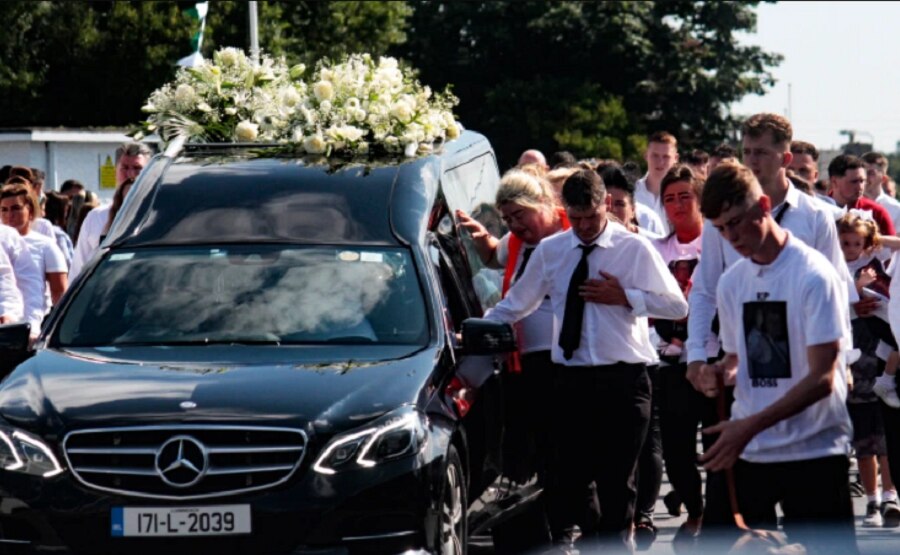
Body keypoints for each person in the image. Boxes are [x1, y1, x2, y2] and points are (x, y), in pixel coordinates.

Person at [485, 168, 687, 551]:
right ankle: (600, 536)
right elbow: (516, 304)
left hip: (624, 380)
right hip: (572, 379)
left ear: (606, 205)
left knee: (616, 480)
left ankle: (615, 543)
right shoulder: (552, 251)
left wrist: (627, 296)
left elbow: (677, 304)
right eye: (574, 219)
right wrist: (475, 328)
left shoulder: (633, 249)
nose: (582, 227)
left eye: (590, 218)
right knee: (570, 478)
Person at [693, 161, 859, 555]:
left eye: (737, 222)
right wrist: (713, 371)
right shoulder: (733, 281)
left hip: (815, 448)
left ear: (764, 205)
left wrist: (747, 426)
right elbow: (738, 357)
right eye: (720, 228)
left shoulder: (814, 275)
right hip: (751, 448)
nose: (731, 236)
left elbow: (822, 378)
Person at [837, 212, 900, 527]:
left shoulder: (876, 261)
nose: (849, 248)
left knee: (885, 428)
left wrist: (878, 242)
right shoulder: (831, 268)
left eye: (856, 243)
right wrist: (852, 302)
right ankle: (873, 500)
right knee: (863, 432)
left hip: (880, 349)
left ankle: (891, 494)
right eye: (844, 242)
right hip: (854, 353)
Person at [71, 142, 151, 277]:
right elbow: (78, 269)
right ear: (115, 171)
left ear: (149, 173)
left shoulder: (156, 216)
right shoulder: (96, 218)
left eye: (137, 168)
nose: (131, 174)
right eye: (124, 168)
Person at [0, 184, 67, 311]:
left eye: (16, 208)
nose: (9, 215)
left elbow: (60, 292)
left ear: (30, 210)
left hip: (33, 323)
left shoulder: (46, 246)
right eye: (4, 209)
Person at [829, 154, 895, 236]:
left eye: (862, 181)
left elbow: (894, 247)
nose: (860, 187)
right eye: (854, 181)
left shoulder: (877, 213)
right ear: (834, 182)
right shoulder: (818, 210)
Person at [598, 162, 666, 237]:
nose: (612, 209)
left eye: (620, 204)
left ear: (633, 210)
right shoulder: (588, 242)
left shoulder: (649, 225)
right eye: (607, 203)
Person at [635, 131, 679, 233]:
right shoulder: (631, 193)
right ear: (646, 155)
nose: (660, 162)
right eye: (655, 156)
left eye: (666, 157)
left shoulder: (682, 196)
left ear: (676, 158)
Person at [790, 140, 837, 207]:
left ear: (815, 176)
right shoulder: (771, 206)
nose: (796, 175)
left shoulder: (827, 208)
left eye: (803, 171)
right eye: (790, 170)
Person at [862, 152, 900, 228]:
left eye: (871, 173)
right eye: (862, 172)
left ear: (883, 179)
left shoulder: (895, 208)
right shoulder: (849, 203)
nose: (864, 177)